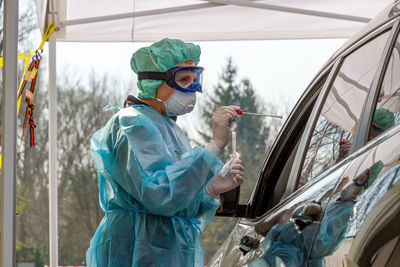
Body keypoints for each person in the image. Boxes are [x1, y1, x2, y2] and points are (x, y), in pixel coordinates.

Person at [86, 38, 244, 267]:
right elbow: (160, 195)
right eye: (183, 79)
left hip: (167, 250)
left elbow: (180, 203)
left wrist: (210, 189)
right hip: (136, 249)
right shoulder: (132, 123)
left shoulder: (170, 128)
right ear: (153, 82)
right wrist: (214, 145)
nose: (193, 88)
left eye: (195, 79)